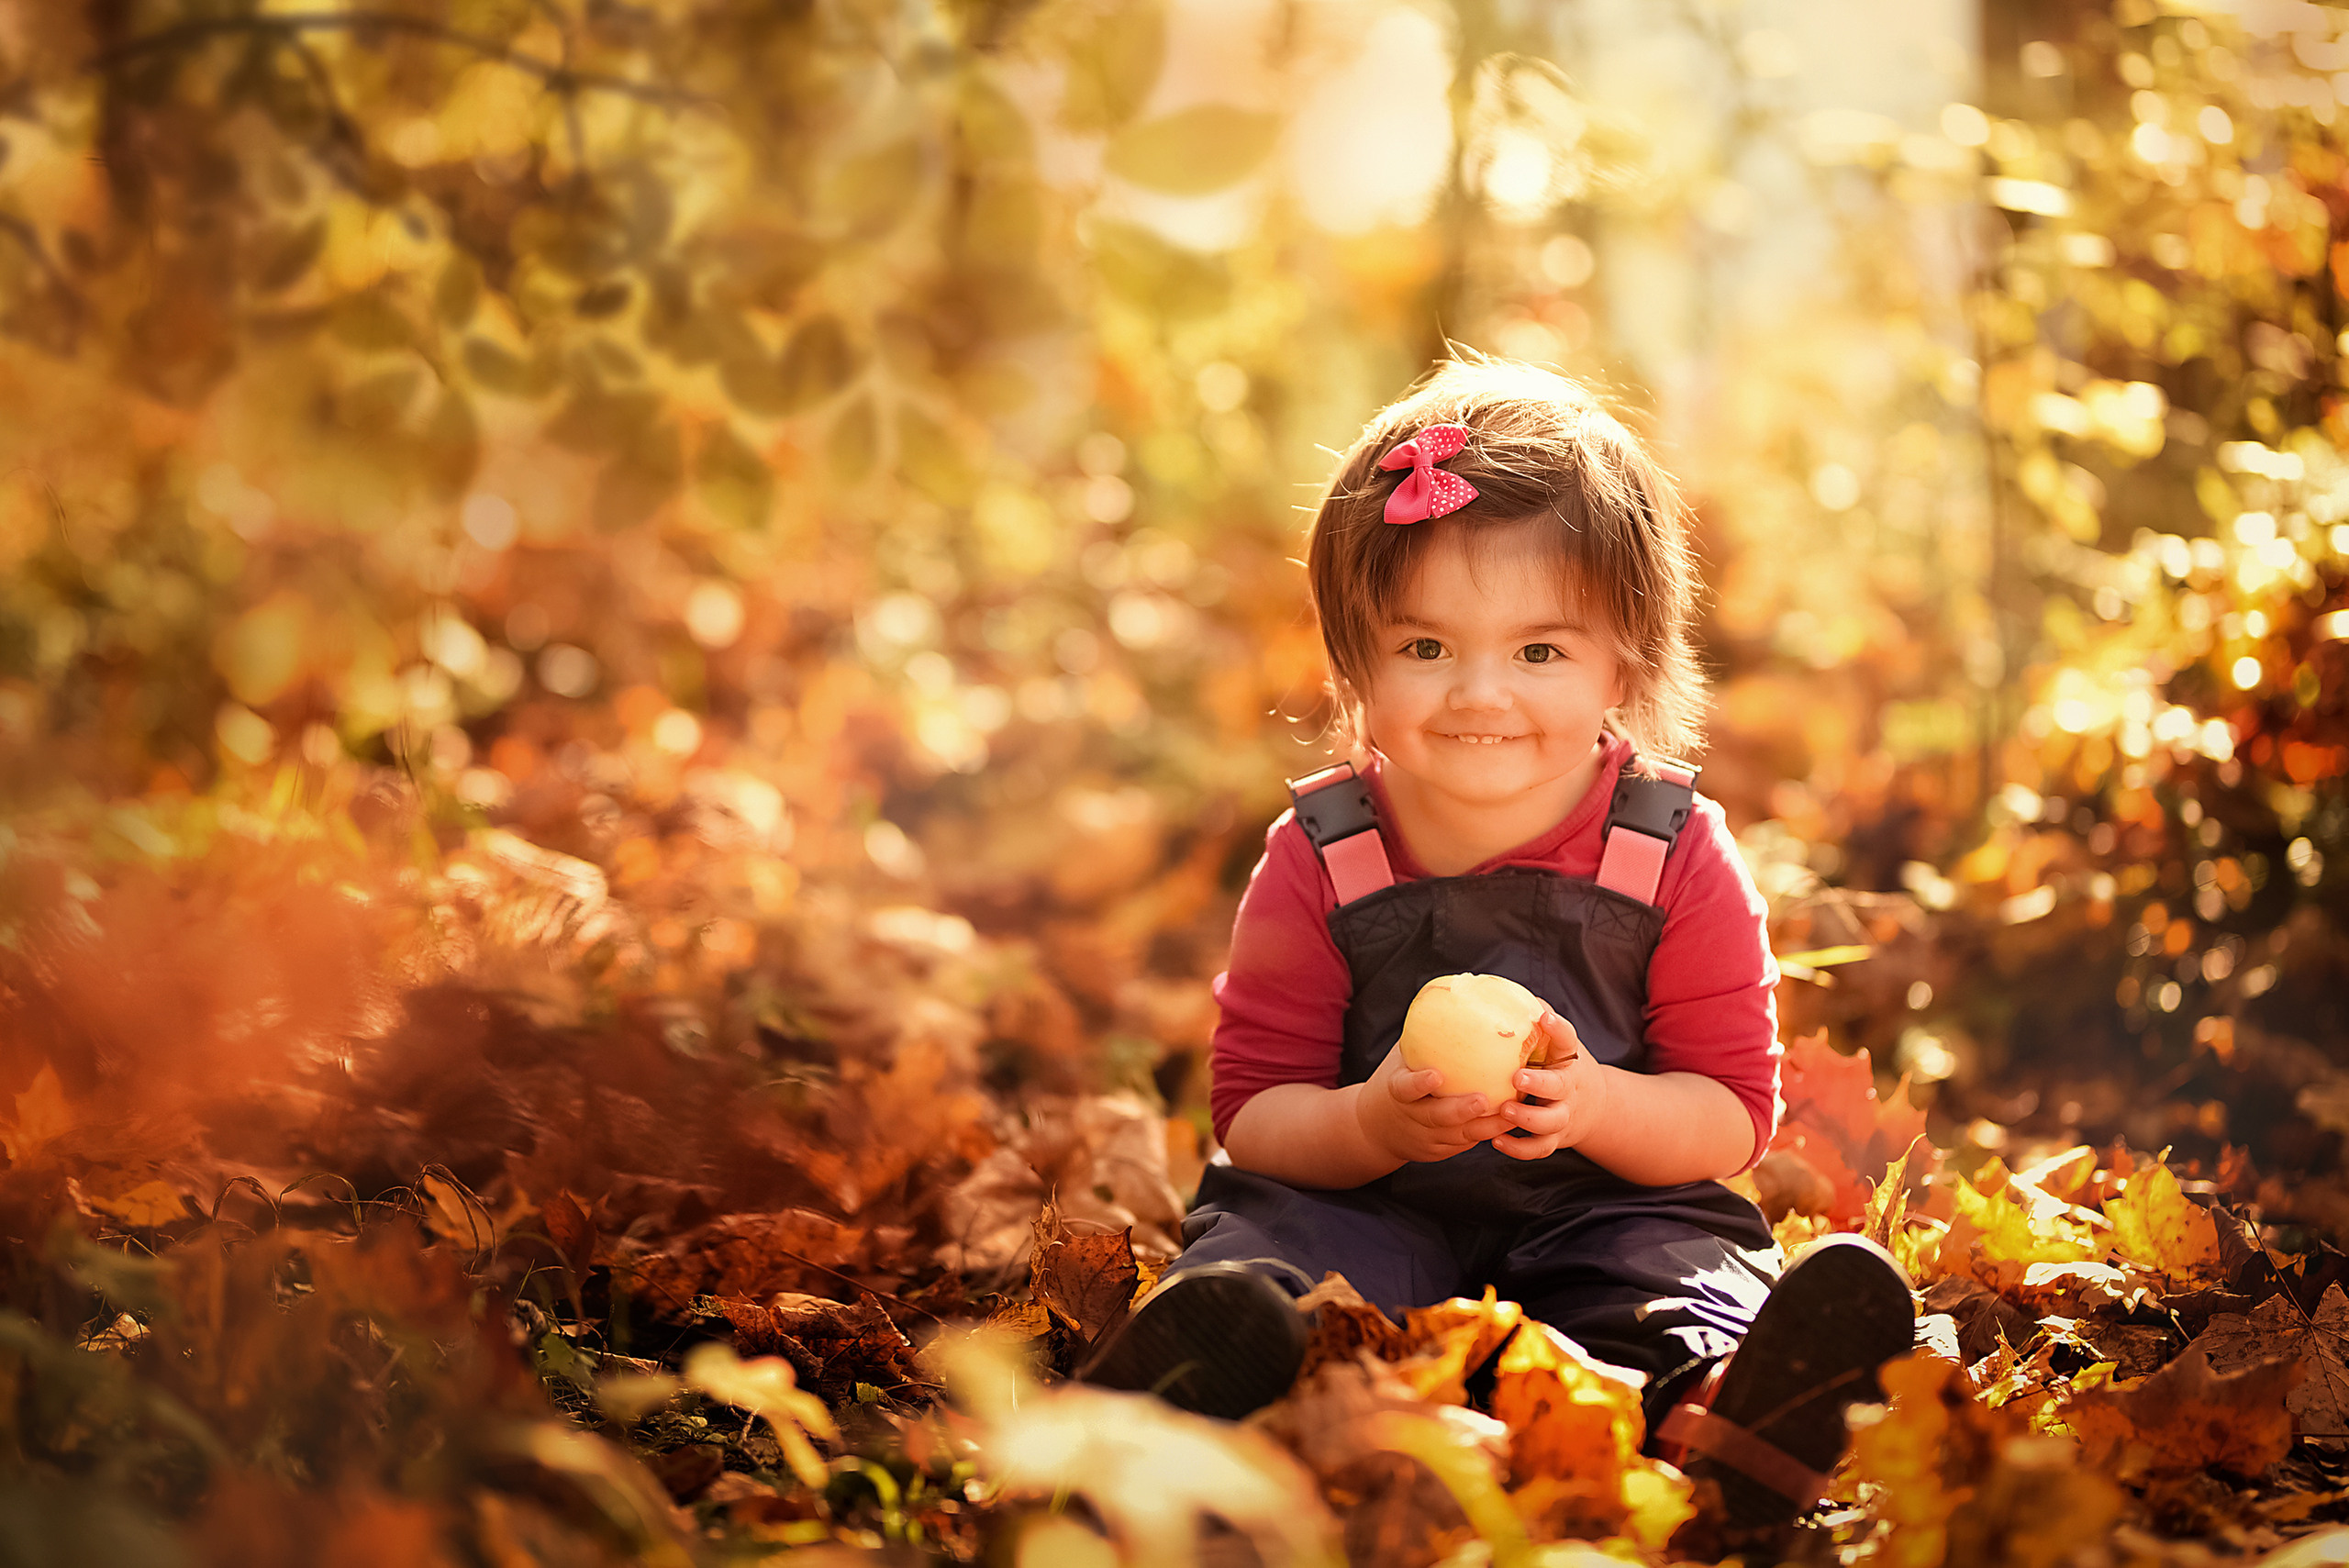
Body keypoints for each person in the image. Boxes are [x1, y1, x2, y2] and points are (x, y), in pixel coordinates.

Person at [1078, 357, 1913, 1529]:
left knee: (1671, 1275)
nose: (1479, 692)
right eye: (1425, 647)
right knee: (1278, 1254)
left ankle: (1724, 1413)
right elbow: (1254, 1110)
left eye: (1539, 651)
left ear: (1624, 660)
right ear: (1353, 657)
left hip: (1608, 1201)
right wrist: (1368, 1124)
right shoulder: (1322, 853)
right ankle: (1197, 1396)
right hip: (1367, 1198)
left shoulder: (1669, 851)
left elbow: (1729, 1114)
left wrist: (1596, 1106)